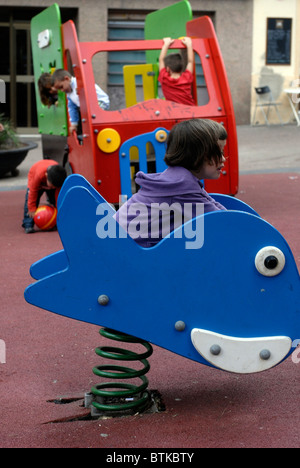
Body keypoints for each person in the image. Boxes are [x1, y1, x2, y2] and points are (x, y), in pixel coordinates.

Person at [116, 119, 227, 248]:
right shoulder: (181, 187)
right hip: (129, 252)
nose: (223, 159)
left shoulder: (177, 179)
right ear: (197, 155)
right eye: (218, 153)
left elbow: (215, 206)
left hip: (121, 244)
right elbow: (222, 221)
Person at [51, 69, 110, 134]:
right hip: (88, 107)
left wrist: (81, 90)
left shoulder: (78, 82)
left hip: (100, 101)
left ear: (67, 79)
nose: (61, 90)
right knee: (85, 116)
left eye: (61, 87)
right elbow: (72, 108)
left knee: (90, 117)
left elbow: (87, 86)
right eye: (59, 89)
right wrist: (74, 124)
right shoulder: (69, 93)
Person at [22, 160, 67, 234]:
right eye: (52, 186)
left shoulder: (59, 177)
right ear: (46, 176)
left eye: (54, 187)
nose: (52, 187)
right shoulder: (39, 175)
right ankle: (28, 224)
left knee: (54, 201)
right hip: (35, 181)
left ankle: (55, 222)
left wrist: (58, 209)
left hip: (51, 179)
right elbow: (32, 192)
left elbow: (59, 196)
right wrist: (32, 208)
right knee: (30, 204)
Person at [158, 37, 196, 106]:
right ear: (181, 68)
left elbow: (161, 60)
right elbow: (190, 62)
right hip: (191, 111)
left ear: (168, 69)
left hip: (175, 112)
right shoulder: (186, 78)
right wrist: (189, 45)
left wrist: (166, 45)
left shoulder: (164, 78)